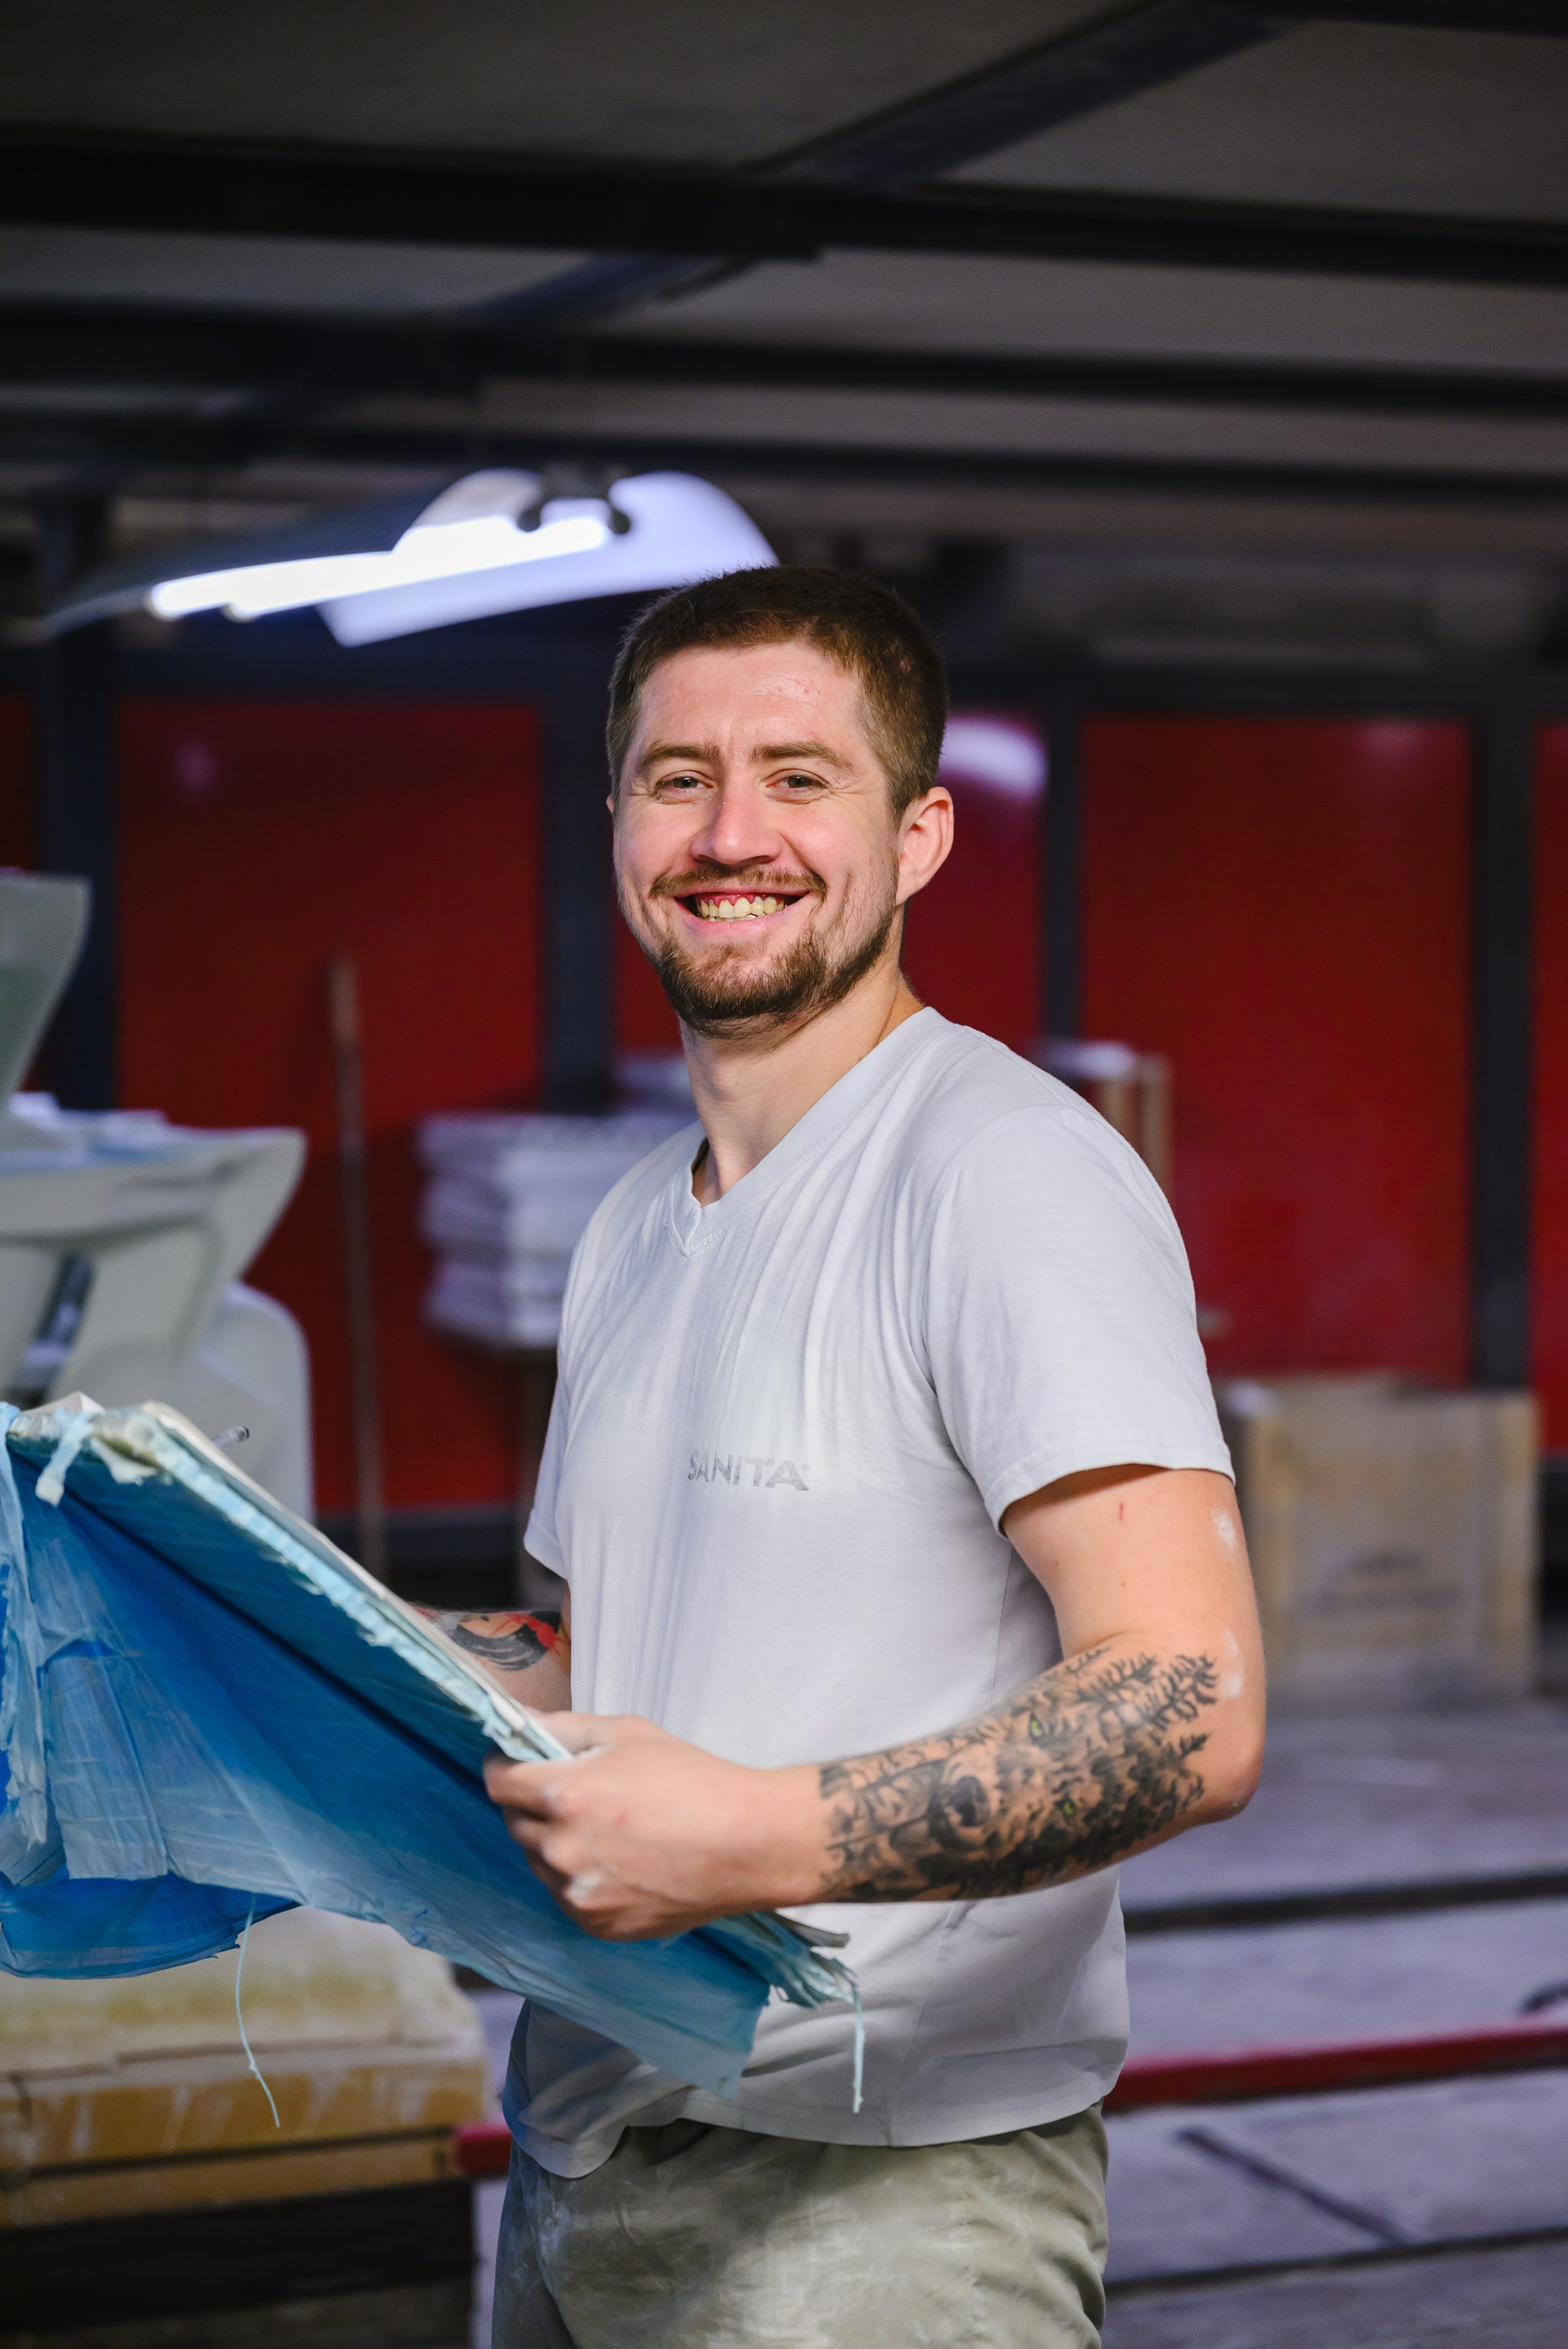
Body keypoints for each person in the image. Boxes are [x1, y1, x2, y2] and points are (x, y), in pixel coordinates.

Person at [444, 567, 1264, 2348]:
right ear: (618, 827)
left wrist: (751, 1836)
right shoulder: (629, 1230)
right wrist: (276, 1635)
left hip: (883, 2201)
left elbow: (1192, 1705)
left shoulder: (1000, 1171)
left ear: (920, 835)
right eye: (678, 779)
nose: (730, 834)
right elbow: (598, 1660)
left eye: (799, 778)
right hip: (584, 2140)